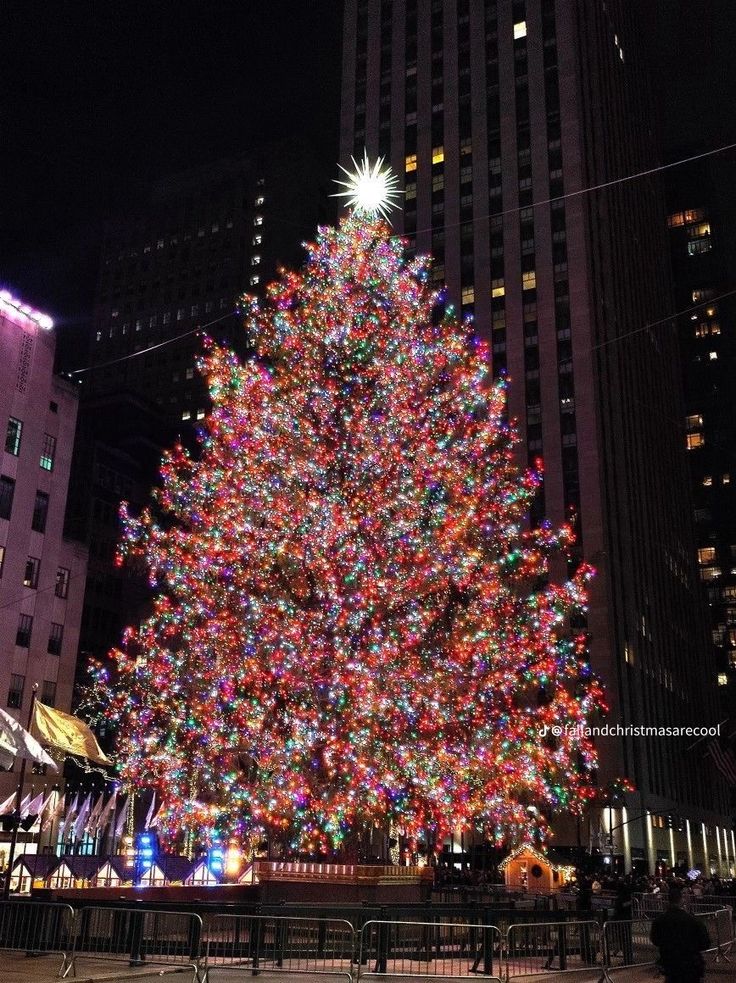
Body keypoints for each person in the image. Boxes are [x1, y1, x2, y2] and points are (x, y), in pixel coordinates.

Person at [650, 885, 710, 983]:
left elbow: (655, 939)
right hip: (690, 963)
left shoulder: (659, 920)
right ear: (681, 900)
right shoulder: (693, 920)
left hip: (670, 963)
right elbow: (705, 943)